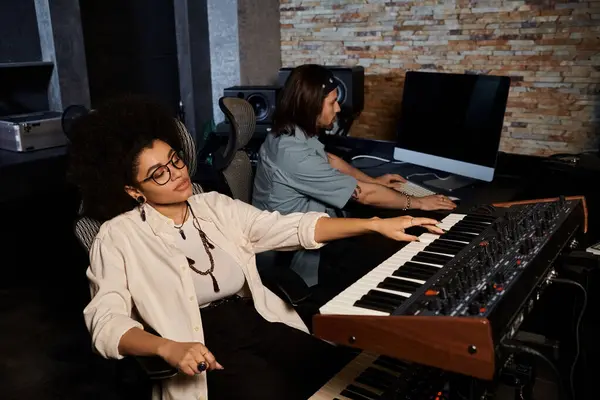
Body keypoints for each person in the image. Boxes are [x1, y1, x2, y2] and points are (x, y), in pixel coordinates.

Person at [68, 95, 444, 400]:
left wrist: (375, 224)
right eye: (158, 174)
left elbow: (290, 227)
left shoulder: (213, 205)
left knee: (345, 370)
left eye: (175, 160)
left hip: (256, 320)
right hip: (203, 345)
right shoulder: (117, 237)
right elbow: (106, 322)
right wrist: (167, 348)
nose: (178, 174)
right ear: (134, 190)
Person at [252, 64, 457, 287]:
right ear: (310, 106)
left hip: (316, 229)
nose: (338, 109)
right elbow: (364, 196)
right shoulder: (291, 153)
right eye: (332, 102)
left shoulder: (288, 133)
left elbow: (330, 159)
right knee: (391, 256)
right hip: (296, 255)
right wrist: (419, 203)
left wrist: (374, 181)